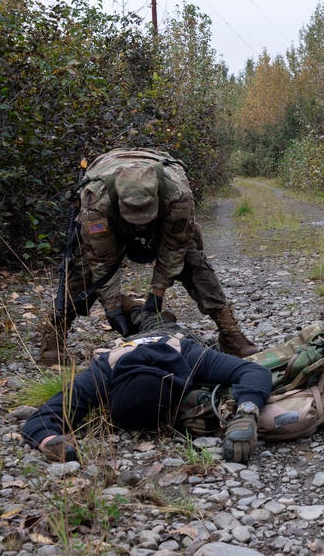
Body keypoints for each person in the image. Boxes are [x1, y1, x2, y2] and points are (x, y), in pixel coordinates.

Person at [38, 147, 258, 366]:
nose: (139, 221)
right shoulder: (95, 202)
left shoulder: (178, 195)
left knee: (192, 260)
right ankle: (53, 339)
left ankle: (231, 333)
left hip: (162, 215)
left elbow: (174, 248)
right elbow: (101, 262)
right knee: (82, 266)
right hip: (109, 212)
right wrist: (113, 311)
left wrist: (156, 296)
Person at [23, 309, 272, 464]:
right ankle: (135, 309)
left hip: (173, 335)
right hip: (130, 343)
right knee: (145, 320)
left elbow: (253, 371)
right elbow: (42, 421)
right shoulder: (103, 371)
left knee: (158, 319)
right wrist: (52, 443)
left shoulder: (189, 354)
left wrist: (247, 413)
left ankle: (141, 310)